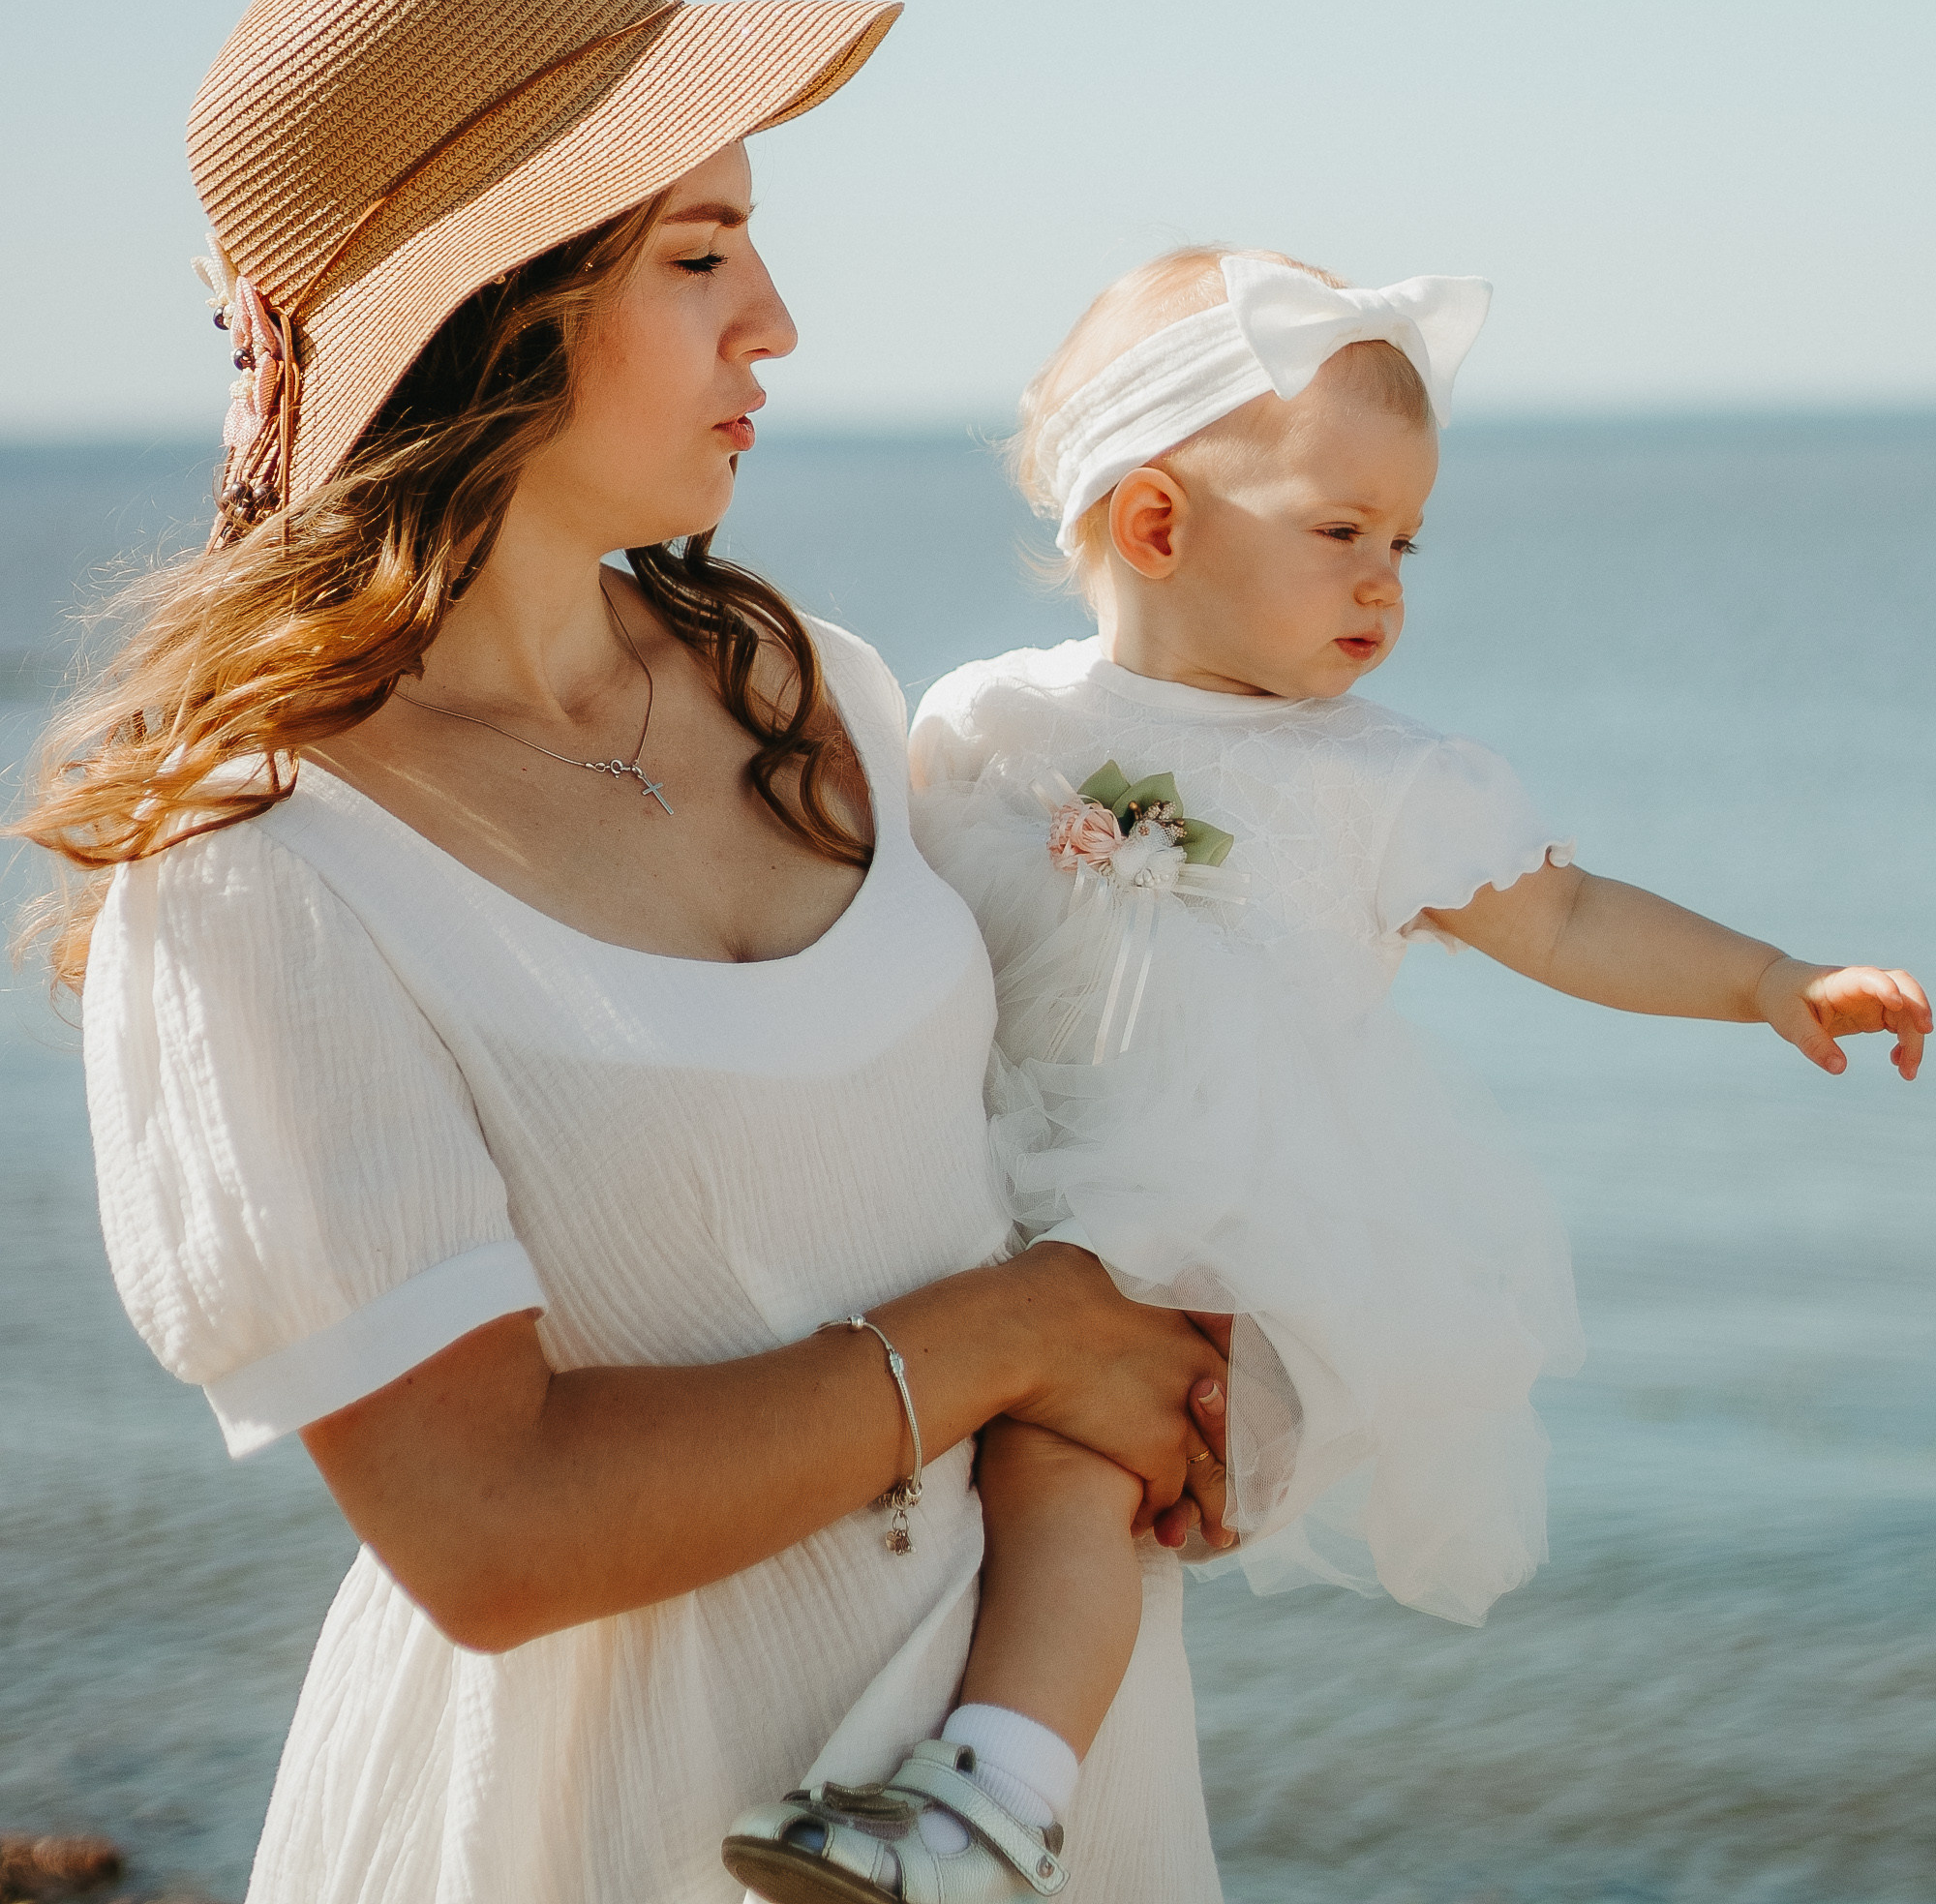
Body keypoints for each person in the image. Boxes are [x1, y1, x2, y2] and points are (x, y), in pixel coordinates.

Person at [12, 0, 1234, 1904]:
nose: (775, 319)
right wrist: (1015, 1340)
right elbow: (488, 1535)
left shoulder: (814, 691)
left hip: (1025, 1796)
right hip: (612, 1833)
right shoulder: (263, 874)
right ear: (489, 317)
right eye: (697, 252)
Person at [727, 243, 1930, 1900]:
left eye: (1406, 542)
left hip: (1245, 1254)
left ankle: (990, 1803)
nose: (1389, 587)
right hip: (1007, 1210)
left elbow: (1568, 917)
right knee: (970, 1464)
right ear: (1157, 526)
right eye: (1342, 534)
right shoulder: (989, 723)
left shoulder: (1382, 782)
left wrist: (1771, 982)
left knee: (1064, 1466)